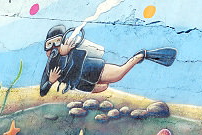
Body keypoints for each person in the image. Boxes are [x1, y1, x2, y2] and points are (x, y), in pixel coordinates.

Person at [39, 24, 176, 95]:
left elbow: (71, 55)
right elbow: (42, 90)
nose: (53, 49)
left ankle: (141, 55)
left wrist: (65, 53)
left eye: (56, 43)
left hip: (90, 69)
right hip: (81, 84)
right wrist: (51, 81)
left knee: (118, 75)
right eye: (49, 45)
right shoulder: (48, 68)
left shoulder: (69, 48)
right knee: (104, 87)